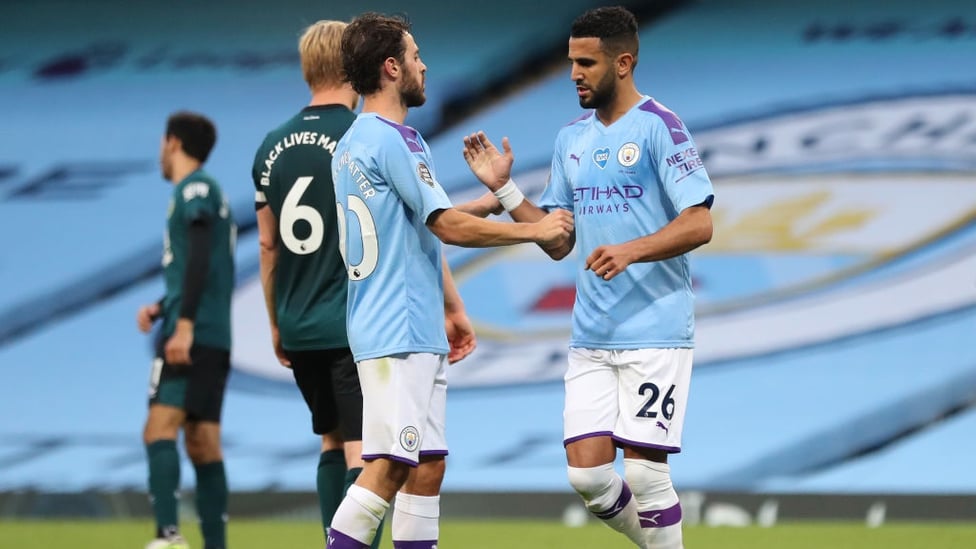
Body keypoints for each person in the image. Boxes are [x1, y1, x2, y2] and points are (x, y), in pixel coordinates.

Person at [462, 6, 714, 548]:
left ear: (623, 63)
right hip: (592, 335)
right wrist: (506, 193)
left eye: (586, 62)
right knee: (590, 478)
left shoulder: (660, 128)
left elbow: (700, 221)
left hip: (655, 329)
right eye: (571, 61)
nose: (574, 72)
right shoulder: (570, 139)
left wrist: (632, 250)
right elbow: (557, 241)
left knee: (646, 474)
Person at [325, 12, 574, 549]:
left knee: (427, 465)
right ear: (392, 68)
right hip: (398, 327)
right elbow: (444, 227)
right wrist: (532, 234)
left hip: (404, 326)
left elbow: (415, 220)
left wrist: (488, 201)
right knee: (390, 464)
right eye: (415, 56)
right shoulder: (397, 140)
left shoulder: (356, 141)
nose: (424, 65)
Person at [136, 111, 236, 549]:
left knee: (159, 429)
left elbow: (198, 254)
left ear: (173, 142)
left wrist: (183, 325)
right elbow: (204, 264)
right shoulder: (210, 193)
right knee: (203, 442)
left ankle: (168, 535)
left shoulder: (194, 188)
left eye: (162, 142)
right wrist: (162, 306)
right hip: (214, 333)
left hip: (191, 333)